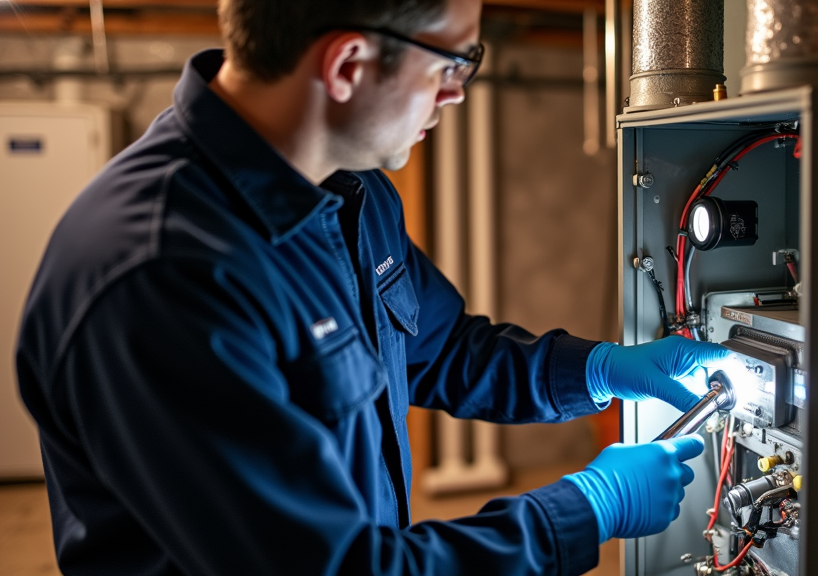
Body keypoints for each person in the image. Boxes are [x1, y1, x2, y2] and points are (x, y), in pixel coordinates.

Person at [16, 0, 732, 574]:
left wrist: (599, 371)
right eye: (455, 60)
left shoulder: (349, 190)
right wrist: (587, 508)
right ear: (349, 63)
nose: (457, 92)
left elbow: (443, 348)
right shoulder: (162, 278)